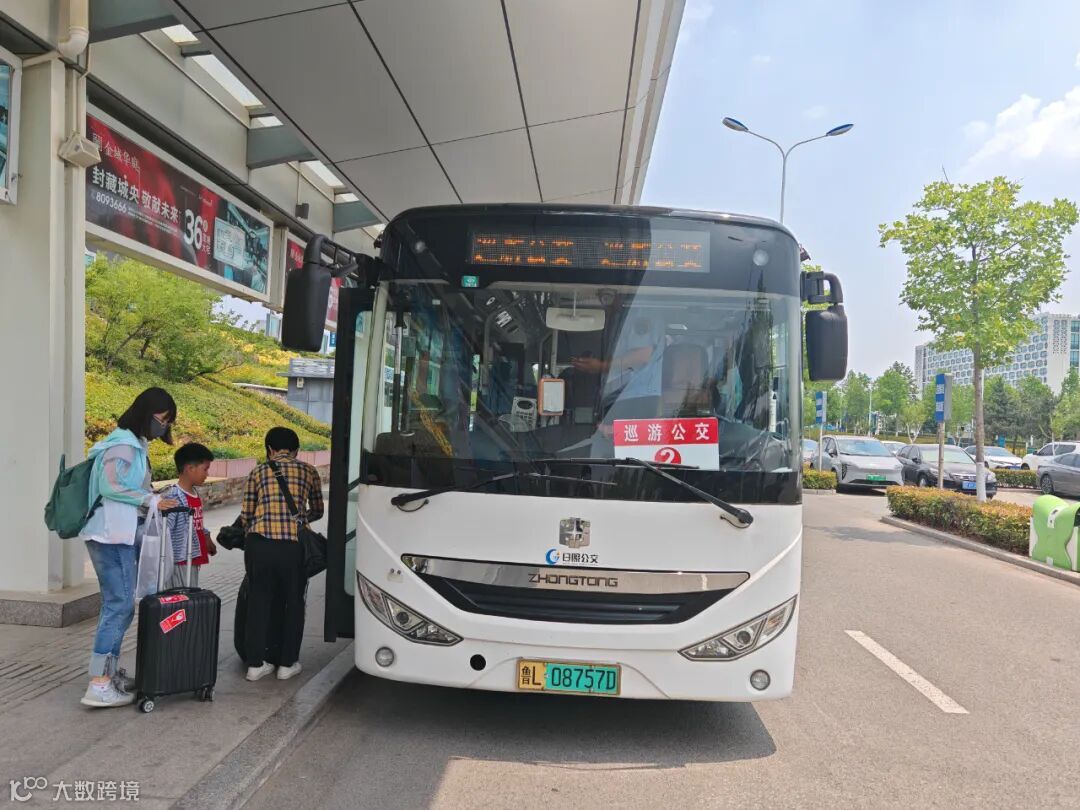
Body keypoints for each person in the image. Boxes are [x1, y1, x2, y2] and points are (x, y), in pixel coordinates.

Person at [79, 387, 179, 708]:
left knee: (119, 605)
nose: (164, 425)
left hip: (115, 534)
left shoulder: (133, 442)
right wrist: (149, 499)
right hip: (110, 536)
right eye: (162, 418)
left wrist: (151, 497)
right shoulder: (123, 444)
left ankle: (107, 673)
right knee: (119, 606)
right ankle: (99, 683)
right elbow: (111, 485)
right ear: (146, 413)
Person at [239, 427, 324, 682]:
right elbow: (317, 510)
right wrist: (298, 519)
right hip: (293, 547)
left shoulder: (258, 471)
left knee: (258, 601)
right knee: (294, 602)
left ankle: (255, 665)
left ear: (269, 449)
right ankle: (287, 664)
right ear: (296, 450)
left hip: (260, 545)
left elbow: (247, 514)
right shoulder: (309, 471)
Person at [161, 443, 217, 589]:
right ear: (190, 469)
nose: (207, 474)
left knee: (190, 593)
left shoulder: (194, 493)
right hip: (181, 559)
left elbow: (195, 522)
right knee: (182, 595)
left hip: (192, 556)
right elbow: (165, 530)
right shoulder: (174, 497)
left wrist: (206, 536)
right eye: (205, 469)